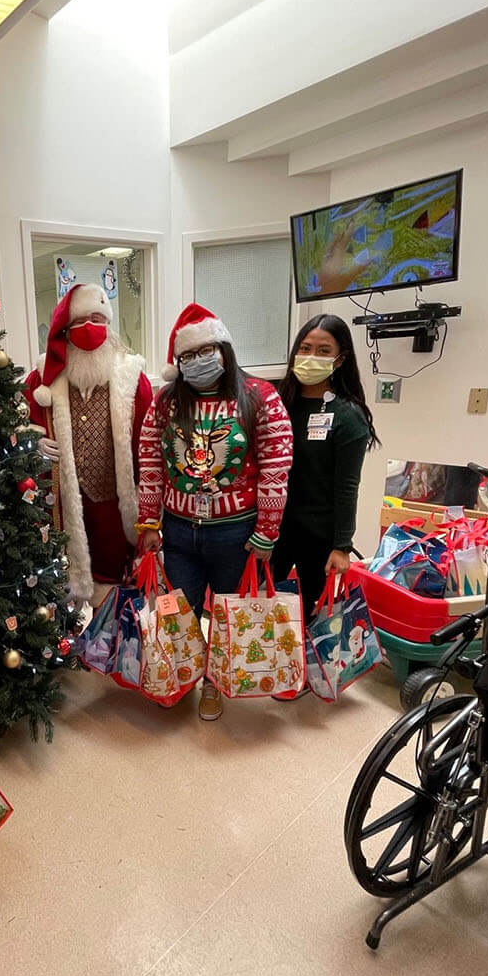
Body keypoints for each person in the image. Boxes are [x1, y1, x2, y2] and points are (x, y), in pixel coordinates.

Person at [137, 304, 293, 721]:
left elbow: (277, 467)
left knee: (228, 616)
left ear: (224, 348)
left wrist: (267, 532)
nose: (198, 361)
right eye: (187, 356)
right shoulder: (167, 402)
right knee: (181, 612)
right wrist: (149, 520)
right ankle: (185, 673)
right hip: (179, 531)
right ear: (177, 362)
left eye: (207, 350)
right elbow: (151, 460)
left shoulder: (261, 397)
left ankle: (213, 684)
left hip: (236, 533)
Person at [24, 284, 153, 604]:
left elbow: (149, 446)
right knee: (63, 591)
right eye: (80, 322)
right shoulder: (42, 378)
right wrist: (33, 440)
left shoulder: (132, 378)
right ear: (65, 332)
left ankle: (111, 650)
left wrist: (151, 510)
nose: (90, 329)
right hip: (63, 506)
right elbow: (22, 429)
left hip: (114, 502)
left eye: (98, 319)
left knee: (115, 593)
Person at [273, 314, 378, 619]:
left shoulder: (347, 416)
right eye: (304, 349)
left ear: (341, 359)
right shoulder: (278, 403)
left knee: (305, 616)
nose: (310, 358)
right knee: (260, 611)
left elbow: (347, 486)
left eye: (323, 351)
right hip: (272, 530)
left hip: (318, 536)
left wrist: (343, 546)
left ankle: (300, 668)